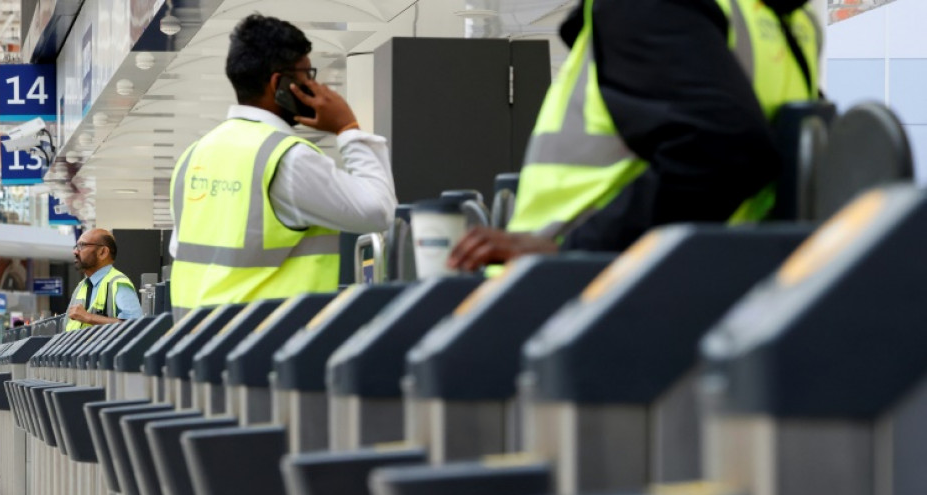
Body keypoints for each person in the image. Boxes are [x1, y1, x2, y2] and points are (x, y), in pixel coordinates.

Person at [448, 0, 820, 271]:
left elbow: (721, 151)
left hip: (591, 300)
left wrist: (567, 252)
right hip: (719, 281)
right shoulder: (781, 19)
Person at [168, 14, 396, 320]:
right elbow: (379, 212)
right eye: (307, 74)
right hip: (266, 350)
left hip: (194, 350)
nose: (314, 85)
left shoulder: (193, 156)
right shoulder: (287, 158)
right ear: (280, 83)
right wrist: (348, 128)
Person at [65, 228, 143, 330]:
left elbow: (135, 326)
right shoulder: (81, 287)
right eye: (76, 246)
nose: (75, 251)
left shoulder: (118, 283)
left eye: (82, 245)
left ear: (103, 252)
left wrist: (89, 317)